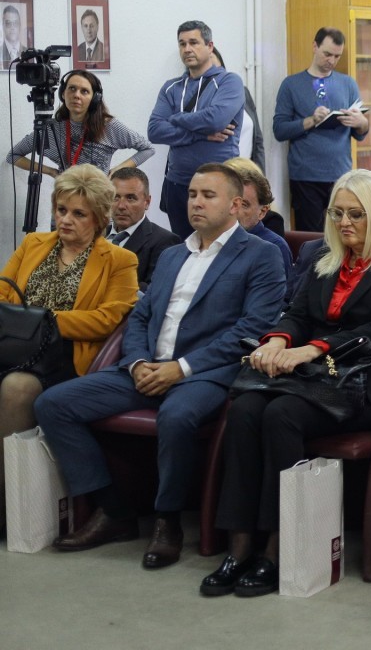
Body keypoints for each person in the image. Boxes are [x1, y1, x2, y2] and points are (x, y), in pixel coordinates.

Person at [35, 163, 286, 569]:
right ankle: (113, 510)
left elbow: (253, 329)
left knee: (177, 416)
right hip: (145, 369)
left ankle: (167, 521)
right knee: (53, 404)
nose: (196, 203)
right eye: (192, 194)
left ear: (235, 204)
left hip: (205, 374)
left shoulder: (261, 255)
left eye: (208, 195)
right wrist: (136, 362)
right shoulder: (172, 255)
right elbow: (139, 317)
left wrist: (181, 368)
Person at [204, 170, 371, 597]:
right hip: (314, 380)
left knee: (281, 415)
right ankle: (239, 544)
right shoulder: (328, 258)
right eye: (337, 213)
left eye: (356, 214)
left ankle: (279, 547)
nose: (344, 223)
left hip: (364, 386)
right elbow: (298, 313)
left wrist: (312, 349)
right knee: (246, 408)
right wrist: (277, 341)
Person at [0, 166, 139, 523]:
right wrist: (26, 323)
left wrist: (42, 322)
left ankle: (7, 509)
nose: (65, 220)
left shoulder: (120, 260)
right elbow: (3, 294)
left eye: (79, 214)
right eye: (61, 210)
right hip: (13, 348)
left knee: (16, 388)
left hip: (66, 360)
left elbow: (107, 319)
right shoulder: (33, 244)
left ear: (99, 218)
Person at [147, 21, 245, 238]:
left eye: (193, 42)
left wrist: (176, 118)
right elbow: (154, 130)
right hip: (178, 184)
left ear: (210, 46)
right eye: (182, 44)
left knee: (218, 246)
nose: (187, 49)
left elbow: (215, 120)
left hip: (219, 184)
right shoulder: (171, 87)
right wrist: (202, 134)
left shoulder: (229, 82)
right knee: (184, 248)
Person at [272, 27, 369, 231]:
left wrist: (361, 122)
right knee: (310, 238)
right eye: (327, 54)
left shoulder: (348, 84)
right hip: (306, 176)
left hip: (341, 174)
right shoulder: (291, 85)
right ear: (314, 47)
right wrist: (311, 120)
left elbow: (360, 133)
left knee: (344, 232)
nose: (331, 61)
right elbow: (279, 130)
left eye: (337, 56)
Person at [8, 69, 154, 175]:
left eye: (84, 91)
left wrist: (115, 171)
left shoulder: (108, 126)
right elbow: (13, 156)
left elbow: (148, 149)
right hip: (66, 202)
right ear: (63, 94)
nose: (76, 95)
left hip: (99, 202)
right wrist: (50, 171)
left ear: (95, 98)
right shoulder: (51, 128)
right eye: (72, 89)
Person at [107, 167, 182, 291]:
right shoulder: (94, 234)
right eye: (115, 197)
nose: (121, 206)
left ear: (147, 202)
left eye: (130, 198)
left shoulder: (165, 241)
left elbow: (153, 291)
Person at [223, 158, 293, 290]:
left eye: (243, 204)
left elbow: (279, 298)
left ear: (262, 212)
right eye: (230, 202)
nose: (233, 210)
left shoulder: (273, 247)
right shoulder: (205, 240)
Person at [212, 47, 266, 173]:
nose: (214, 75)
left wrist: (260, 176)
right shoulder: (199, 102)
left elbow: (258, 140)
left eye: (218, 69)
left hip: (247, 173)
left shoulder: (242, 91)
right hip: (220, 175)